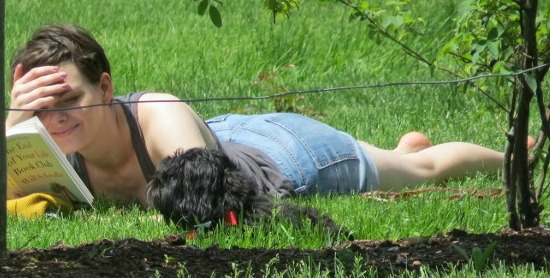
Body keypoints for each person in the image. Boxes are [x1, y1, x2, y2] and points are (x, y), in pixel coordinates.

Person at [7, 24, 515, 209]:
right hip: (221, 133)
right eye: (40, 108)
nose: (54, 120)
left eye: (69, 100)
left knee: (416, 174)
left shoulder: (157, 115)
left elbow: (205, 198)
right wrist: (12, 126)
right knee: (404, 159)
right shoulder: (44, 139)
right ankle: (405, 145)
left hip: (281, 154)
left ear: (106, 86)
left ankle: (516, 157)